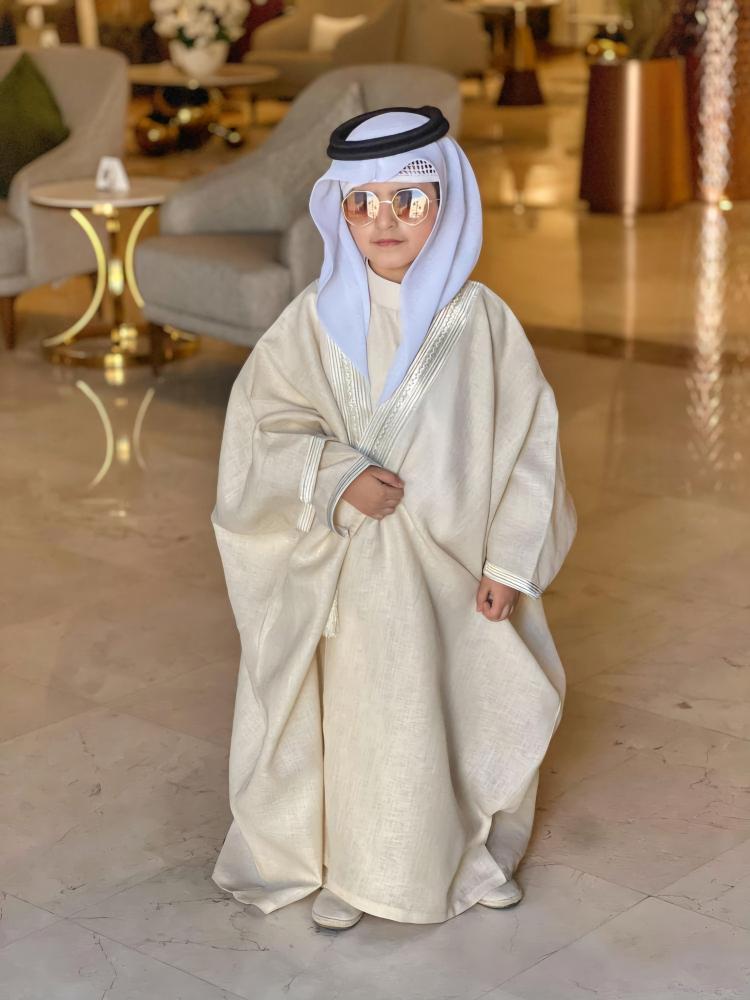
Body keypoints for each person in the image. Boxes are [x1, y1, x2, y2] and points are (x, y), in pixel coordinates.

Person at [210, 106, 577, 931]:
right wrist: (338, 475)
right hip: (352, 578)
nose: (385, 221)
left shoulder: (482, 321)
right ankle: (355, 872)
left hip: (457, 573)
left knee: (455, 715)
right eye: (363, 202)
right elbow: (262, 429)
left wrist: (510, 562)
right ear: (339, 210)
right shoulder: (312, 321)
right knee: (365, 719)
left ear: (447, 202)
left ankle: (466, 856)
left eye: (408, 200)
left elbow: (532, 445)